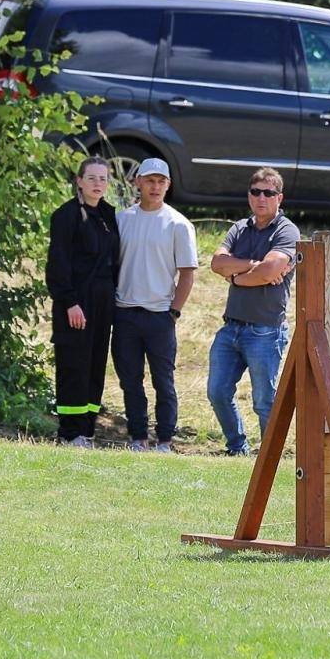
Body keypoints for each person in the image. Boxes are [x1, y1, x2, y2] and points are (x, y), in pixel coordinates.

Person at [207, 167, 300, 456]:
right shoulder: (239, 228)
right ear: (249, 195)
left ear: (279, 197)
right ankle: (237, 448)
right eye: (256, 192)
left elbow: (271, 270)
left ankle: (269, 456)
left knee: (264, 400)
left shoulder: (287, 230)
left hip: (265, 330)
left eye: (268, 193)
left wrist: (236, 275)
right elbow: (216, 263)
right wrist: (253, 267)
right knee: (218, 392)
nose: (261, 198)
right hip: (231, 326)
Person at [113, 157, 198, 453]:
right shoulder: (122, 220)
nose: (155, 186)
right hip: (125, 312)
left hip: (160, 316)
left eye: (161, 181)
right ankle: (138, 437)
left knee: (164, 381)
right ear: (137, 183)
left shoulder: (178, 224)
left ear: (168, 186)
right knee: (130, 380)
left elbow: (187, 274)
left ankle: (164, 439)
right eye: (150, 180)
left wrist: (173, 312)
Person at [45, 157, 120, 449]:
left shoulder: (108, 215)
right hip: (76, 302)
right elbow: (58, 264)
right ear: (79, 180)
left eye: (103, 179)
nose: (97, 184)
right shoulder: (66, 215)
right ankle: (69, 433)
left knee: (95, 365)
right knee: (74, 365)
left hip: (104, 302)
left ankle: (87, 432)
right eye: (91, 178)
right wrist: (69, 302)